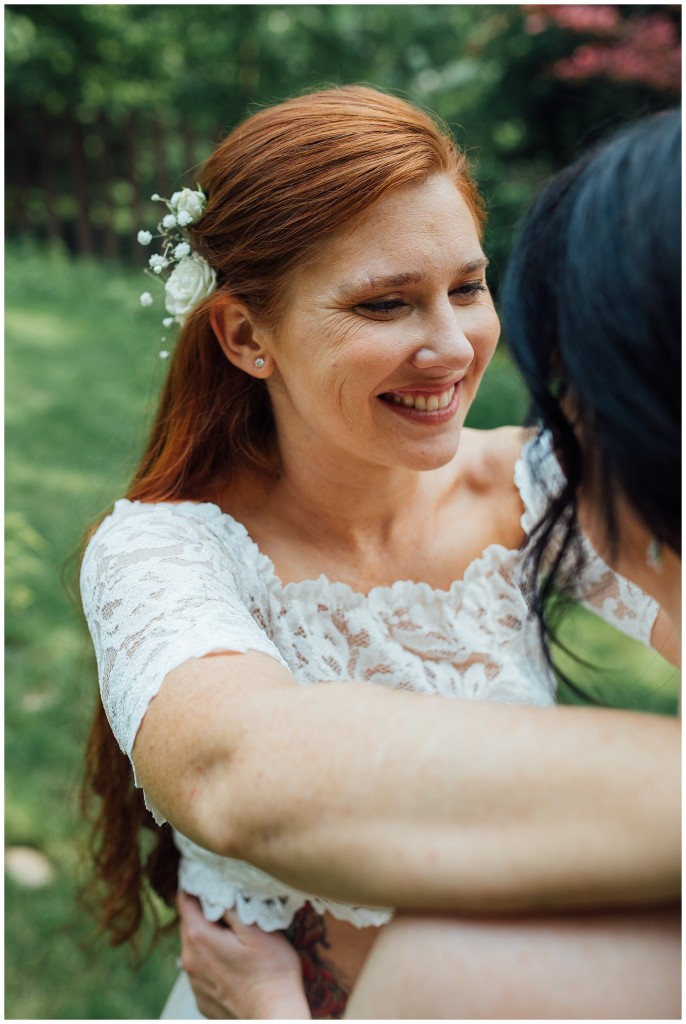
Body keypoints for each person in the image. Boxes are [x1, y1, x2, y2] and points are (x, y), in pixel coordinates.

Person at [80, 88, 679, 1020]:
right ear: (246, 336)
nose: (452, 347)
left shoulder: (534, 488)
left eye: (469, 287)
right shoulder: (162, 553)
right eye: (385, 303)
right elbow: (233, 771)